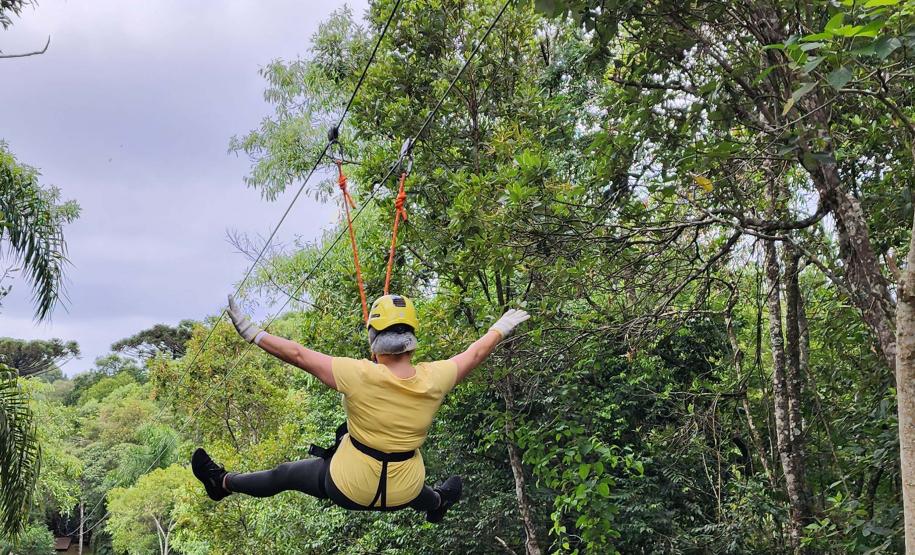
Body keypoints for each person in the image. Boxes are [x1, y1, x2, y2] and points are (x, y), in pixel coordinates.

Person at [191, 293, 530, 523]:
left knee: (285, 475)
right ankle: (438, 503)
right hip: (405, 490)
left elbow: (297, 354)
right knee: (404, 475)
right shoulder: (436, 377)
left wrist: (252, 333)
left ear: (374, 341)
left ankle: (221, 482)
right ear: (412, 342)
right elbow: (474, 353)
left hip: (347, 486)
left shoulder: (357, 374)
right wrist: (499, 328)